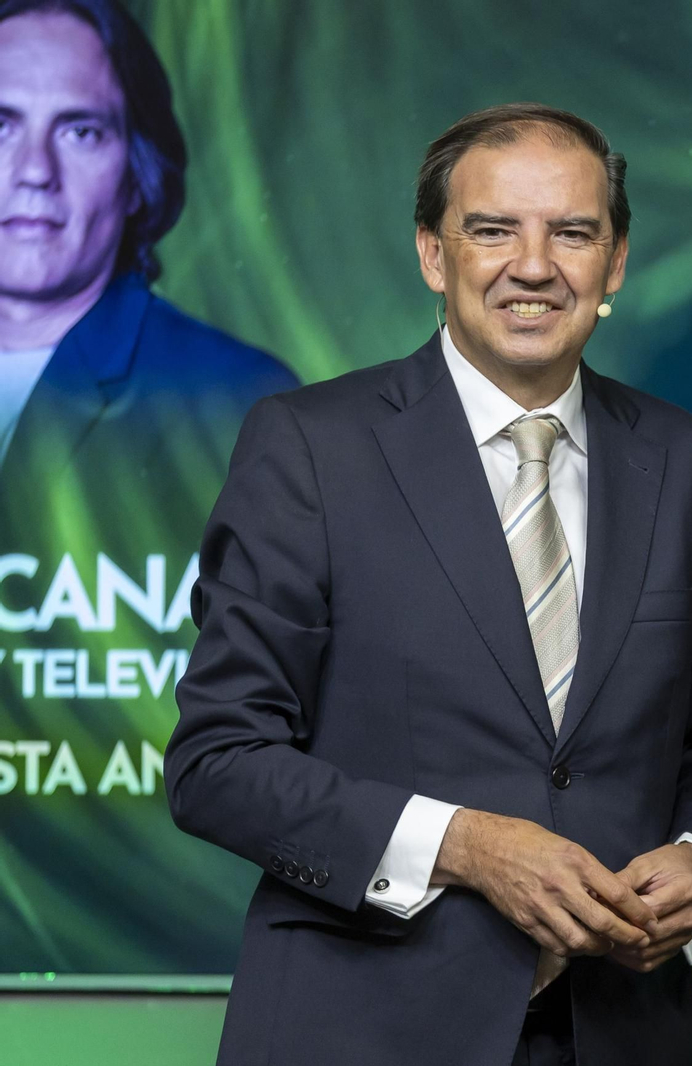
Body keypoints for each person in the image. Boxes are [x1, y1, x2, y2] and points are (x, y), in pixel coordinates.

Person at [167, 103, 692, 1066]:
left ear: (616, 262)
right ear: (435, 256)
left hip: (620, 1031)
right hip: (361, 1031)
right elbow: (217, 761)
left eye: (572, 232)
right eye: (492, 230)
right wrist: (467, 845)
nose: (533, 265)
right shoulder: (311, 447)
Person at [0, 0, 295, 970]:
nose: (30, 173)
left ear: (136, 172)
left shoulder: (243, 407)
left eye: (78, 129)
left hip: (155, 962)